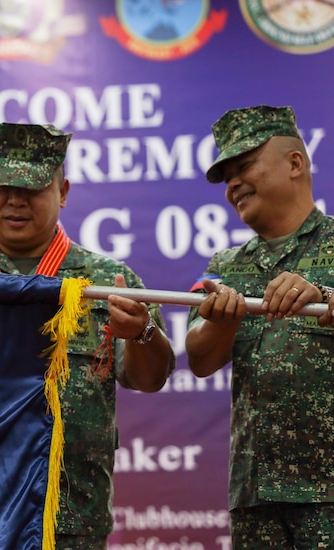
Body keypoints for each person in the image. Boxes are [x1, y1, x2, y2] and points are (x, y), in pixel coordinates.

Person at [0, 122, 176, 548]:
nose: (16, 201)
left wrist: (143, 331)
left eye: (33, 189)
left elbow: (149, 379)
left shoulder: (108, 281)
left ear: (63, 192)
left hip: (69, 516)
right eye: (4, 186)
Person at [185, 105, 334, 548]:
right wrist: (222, 325)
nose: (232, 184)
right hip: (256, 496)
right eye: (227, 175)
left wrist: (325, 297)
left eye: (245, 166)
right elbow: (200, 359)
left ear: (294, 163)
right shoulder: (226, 266)